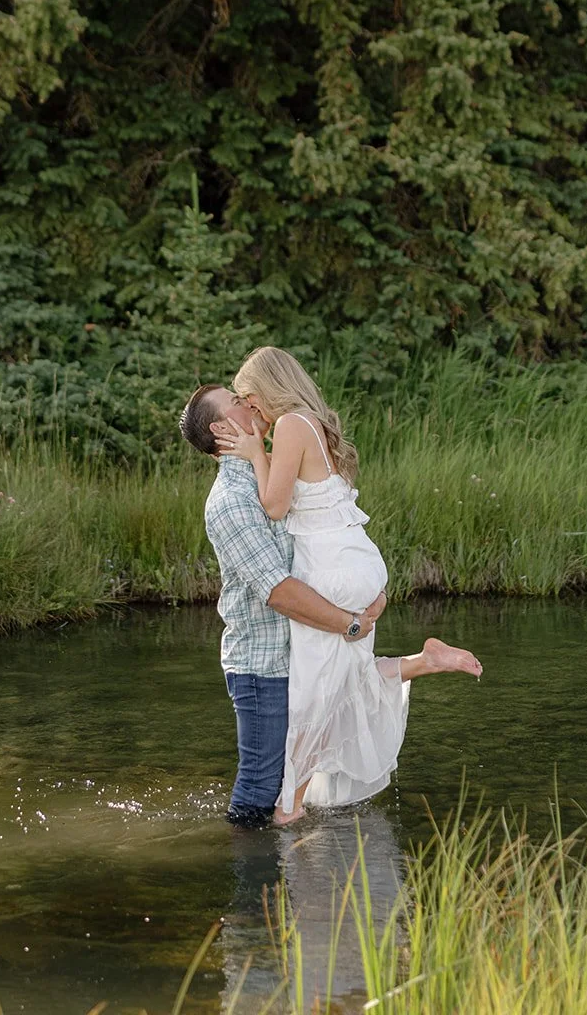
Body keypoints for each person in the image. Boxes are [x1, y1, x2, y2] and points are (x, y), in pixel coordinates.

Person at [217, 346, 482, 824]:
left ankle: (290, 808)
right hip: (353, 559)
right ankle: (423, 661)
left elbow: (275, 507)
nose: (248, 409)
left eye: (248, 399)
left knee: (315, 693)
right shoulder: (307, 424)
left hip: (331, 569)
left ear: (263, 392)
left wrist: (257, 452)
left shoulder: (290, 426)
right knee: (344, 682)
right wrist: (264, 452)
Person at [179, 383, 387, 830]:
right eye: (237, 402)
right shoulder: (230, 503)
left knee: (289, 783)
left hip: (296, 655)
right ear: (221, 427)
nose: (248, 403)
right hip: (262, 669)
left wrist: (370, 590)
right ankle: (250, 887)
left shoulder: (272, 476)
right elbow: (278, 591)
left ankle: (282, 883)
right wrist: (350, 625)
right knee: (260, 787)